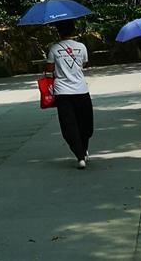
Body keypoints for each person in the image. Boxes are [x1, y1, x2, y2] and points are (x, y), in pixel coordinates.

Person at [45, 19, 94, 170]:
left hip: (63, 92)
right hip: (81, 90)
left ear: (58, 31)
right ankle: (84, 150)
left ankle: (80, 156)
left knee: (69, 124)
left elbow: (49, 69)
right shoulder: (81, 47)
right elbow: (83, 63)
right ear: (73, 30)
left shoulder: (54, 48)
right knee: (84, 122)